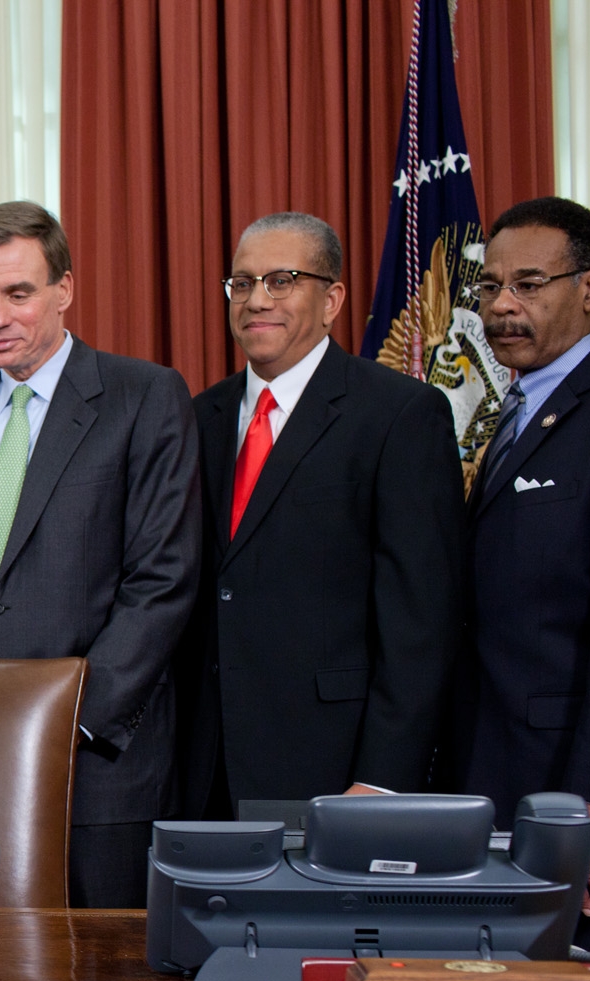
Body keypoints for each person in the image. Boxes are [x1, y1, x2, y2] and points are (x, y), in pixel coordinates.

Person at [0, 201, 201, 907]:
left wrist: (70, 719)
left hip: (103, 762)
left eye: (17, 293)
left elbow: (162, 581)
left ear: (65, 289)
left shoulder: (145, 397)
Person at [177, 213, 463, 817]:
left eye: (282, 280)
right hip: (202, 769)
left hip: (335, 769)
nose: (256, 299)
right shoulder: (195, 417)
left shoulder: (400, 414)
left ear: (332, 299)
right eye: (242, 282)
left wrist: (384, 780)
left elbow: (424, 621)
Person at [443, 197, 590, 953]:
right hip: (485, 770)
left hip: (566, 790)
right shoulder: (507, 410)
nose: (502, 308)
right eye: (488, 289)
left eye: (529, 285)